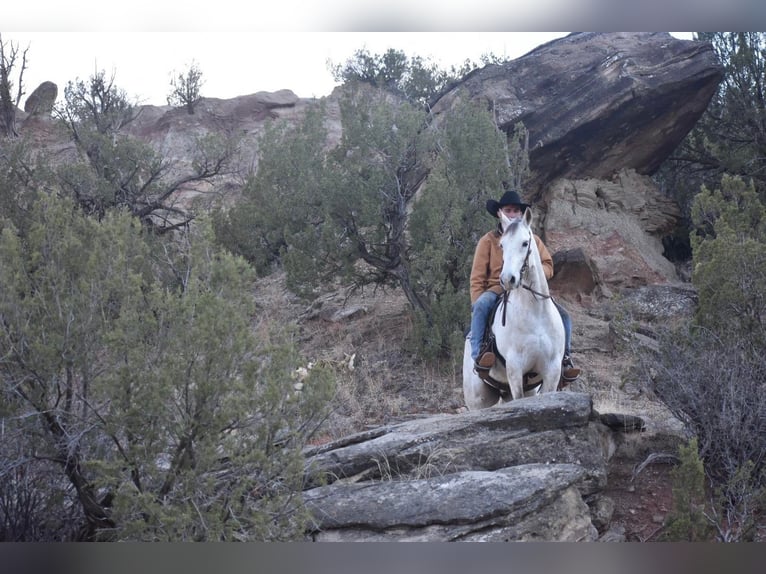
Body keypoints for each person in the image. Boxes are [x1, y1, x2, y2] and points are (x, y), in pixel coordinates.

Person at [469, 188, 581, 382]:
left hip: (530, 289)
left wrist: (536, 273)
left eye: (515, 211)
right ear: (500, 213)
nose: (511, 214)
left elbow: (548, 266)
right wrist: (477, 298)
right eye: (507, 210)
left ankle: (565, 360)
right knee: (481, 306)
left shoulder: (532, 239)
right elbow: (477, 277)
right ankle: (478, 355)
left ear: (521, 214)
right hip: (497, 288)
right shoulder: (487, 241)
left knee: (564, 316)